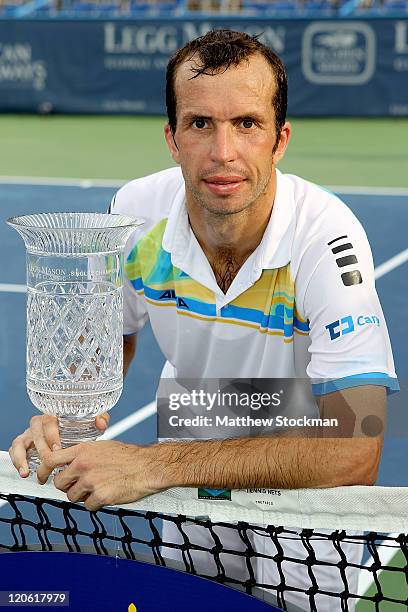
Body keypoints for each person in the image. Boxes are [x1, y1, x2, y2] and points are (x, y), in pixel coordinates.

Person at [9, 29, 398, 610]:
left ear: (280, 140)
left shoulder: (327, 241)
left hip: (304, 459)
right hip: (194, 423)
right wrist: (69, 417)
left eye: (246, 123)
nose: (223, 153)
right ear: (170, 137)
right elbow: (109, 341)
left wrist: (152, 465)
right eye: (199, 124)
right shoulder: (135, 217)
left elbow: (356, 450)